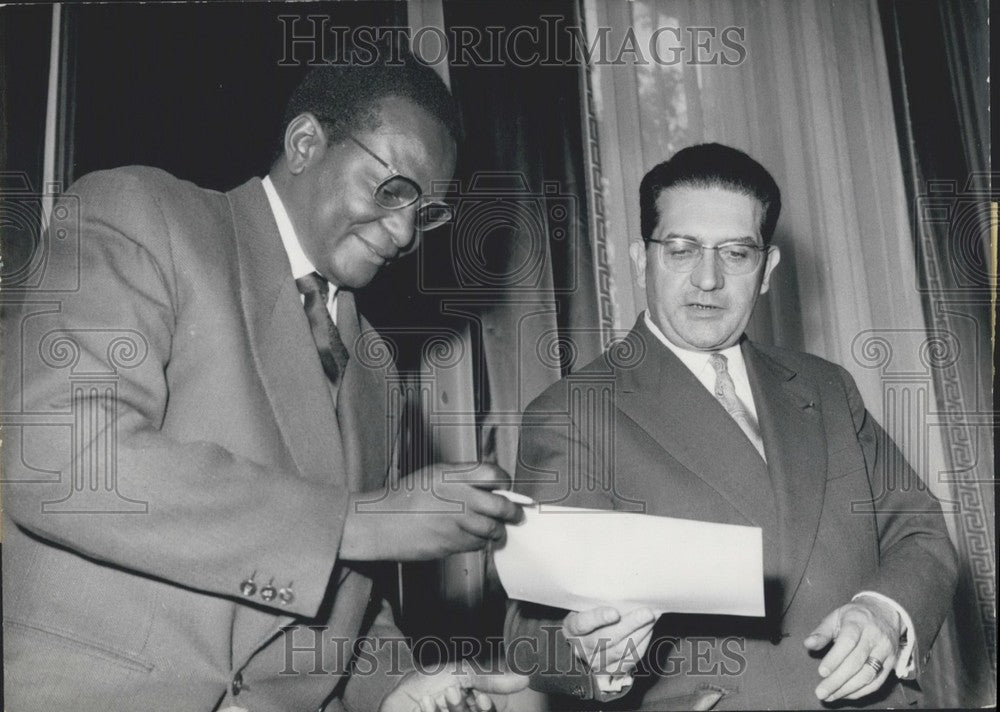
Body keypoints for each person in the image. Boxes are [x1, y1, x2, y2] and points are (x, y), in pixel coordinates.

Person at [2, 48, 527, 712]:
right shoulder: (141, 214)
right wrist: (353, 524)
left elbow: (335, 591)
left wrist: (395, 685)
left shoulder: (374, 367)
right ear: (306, 143)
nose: (402, 233)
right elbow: (65, 462)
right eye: (392, 189)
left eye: (423, 213)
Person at [504, 143, 957, 709]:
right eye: (682, 249)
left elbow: (918, 532)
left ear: (765, 271)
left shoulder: (825, 387)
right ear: (641, 261)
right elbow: (533, 636)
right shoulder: (576, 410)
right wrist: (592, 649)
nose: (709, 279)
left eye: (736, 253)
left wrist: (884, 611)